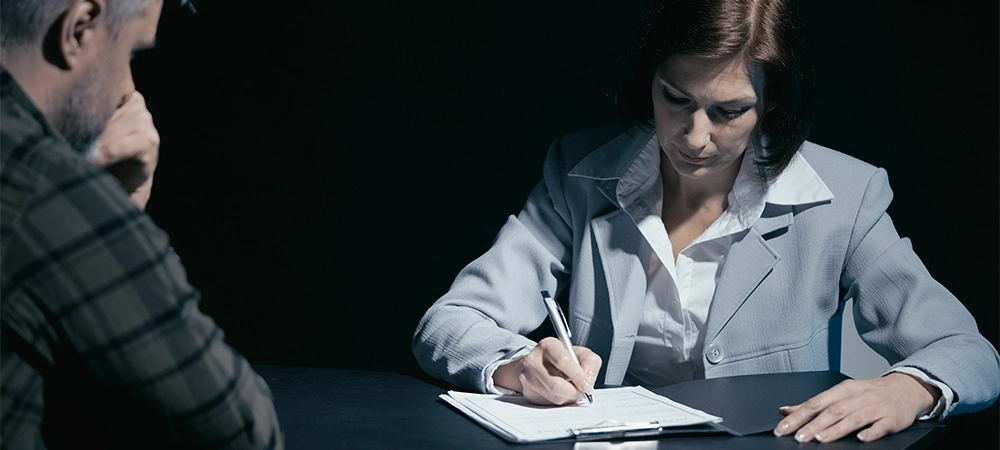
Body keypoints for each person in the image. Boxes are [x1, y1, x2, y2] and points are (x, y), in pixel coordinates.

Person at [412, 0, 999, 444]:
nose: (694, 137)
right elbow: (452, 321)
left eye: (728, 112)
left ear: (771, 103)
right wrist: (517, 367)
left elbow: (967, 350)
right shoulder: (579, 173)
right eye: (676, 99)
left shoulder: (844, 196)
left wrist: (909, 388)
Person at [0, 0, 284, 448]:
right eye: (131, 53)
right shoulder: (41, 185)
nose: (129, 89)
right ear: (78, 29)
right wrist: (109, 210)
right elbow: (240, 431)